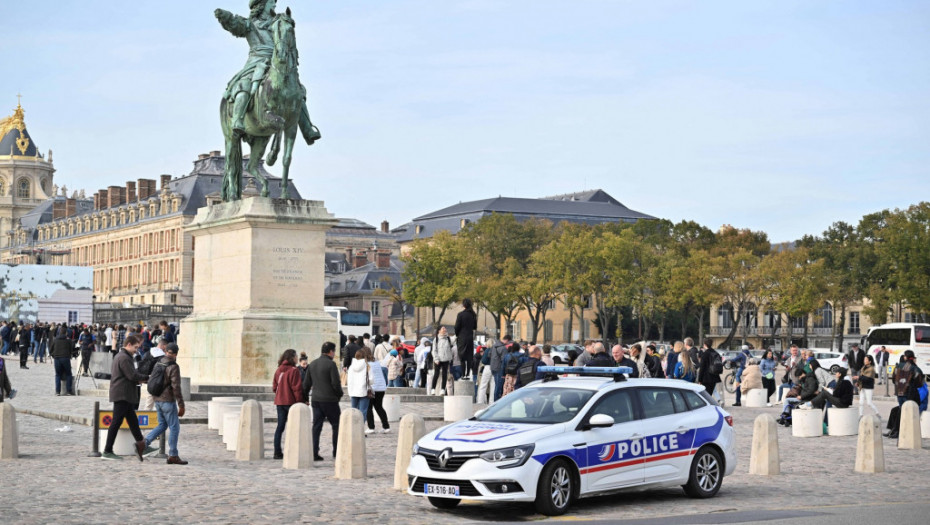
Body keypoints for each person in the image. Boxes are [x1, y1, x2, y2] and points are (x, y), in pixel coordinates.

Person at [102, 334, 149, 461]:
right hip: (122, 394)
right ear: (128, 345)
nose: (136, 350)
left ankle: (142, 444)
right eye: (135, 347)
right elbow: (132, 375)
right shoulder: (124, 358)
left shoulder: (123, 356)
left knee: (133, 421)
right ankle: (107, 450)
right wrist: (147, 378)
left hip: (125, 394)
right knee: (116, 423)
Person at [141, 343, 188, 465]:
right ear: (176, 354)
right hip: (167, 401)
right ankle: (173, 455)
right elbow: (176, 387)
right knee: (174, 427)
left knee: (162, 425)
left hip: (157, 399)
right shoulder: (173, 366)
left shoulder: (159, 362)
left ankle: (144, 443)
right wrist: (181, 405)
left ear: (166, 351)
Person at [306, 342, 343, 461]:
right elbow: (336, 383)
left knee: (316, 426)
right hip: (330, 400)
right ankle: (336, 451)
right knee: (336, 426)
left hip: (316, 399)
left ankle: (314, 452)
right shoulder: (331, 364)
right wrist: (339, 395)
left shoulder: (312, 364)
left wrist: (305, 397)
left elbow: (306, 384)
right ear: (331, 351)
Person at [271, 348, 304, 460]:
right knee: (293, 427)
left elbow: (274, 387)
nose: (297, 358)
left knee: (280, 427)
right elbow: (297, 389)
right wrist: (300, 402)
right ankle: (292, 450)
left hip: (280, 402)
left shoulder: (278, 370)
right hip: (291, 402)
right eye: (296, 356)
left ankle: (277, 451)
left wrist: (280, 394)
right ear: (292, 357)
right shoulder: (294, 370)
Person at [365, 349, 390, 434]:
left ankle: (371, 427)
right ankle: (386, 426)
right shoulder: (376, 362)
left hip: (372, 387)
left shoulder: (367, 364)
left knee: (369, 407)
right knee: (379, 407)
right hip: (381, 387)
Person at [139, 336, 167, 410]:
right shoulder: (162, 356)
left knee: (149, 403)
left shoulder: (148, 352)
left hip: (148, 379)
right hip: (158, 381)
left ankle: (146, 419)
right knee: (157, 404)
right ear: (163, 346)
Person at [454, 298, 478, 380]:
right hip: (470, 337)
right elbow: (475, 326)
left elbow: (457, 327)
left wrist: (457, 334)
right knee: (469, 356)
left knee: (462, 357)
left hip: (462, 337)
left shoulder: (460, 315)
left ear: (463, 305)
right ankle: (468, 374)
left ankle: (463, 374)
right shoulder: (473, 315)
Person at [347, 349, 373, 420]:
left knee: (353, 411)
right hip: (363, 391)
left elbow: (349, 379)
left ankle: (353, 427)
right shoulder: (367, 366)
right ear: (364, 356)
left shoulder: (351, 367)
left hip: (353, 391)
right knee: (363, 412)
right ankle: (360, 428)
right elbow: (371, 380)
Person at [50, 326, 75, 396]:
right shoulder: (68, 340)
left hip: (57, 358)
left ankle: (57, 391)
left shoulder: (55, 340)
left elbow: (51, 350)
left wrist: (54, 355)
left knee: (57, 374)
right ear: (66, 333)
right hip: (65, 358)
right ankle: (69, 391)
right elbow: (71, 350)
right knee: (68, 374)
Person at [430, 327, 454, 395]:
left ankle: (443, 389)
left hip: (446, 359)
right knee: (436, 374)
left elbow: (454, 339)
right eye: (443, 329)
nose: (445, 330)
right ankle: (433, 389)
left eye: (445, 329)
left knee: (444, 375)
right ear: (439, 331)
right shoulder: (436, 339)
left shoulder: (448, 339)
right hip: (438, 359)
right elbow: (434, 350)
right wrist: (436, 359)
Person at [489, 335, 512, 402]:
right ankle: (497, 401)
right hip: (499, 368)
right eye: (509, 342)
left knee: (496, 385)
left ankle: (494, 400)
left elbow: (489, 355)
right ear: (507, 340)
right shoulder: (503, 348)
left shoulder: (494, 346)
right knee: (499, 385)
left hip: (493, 367)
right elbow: (504, 359)